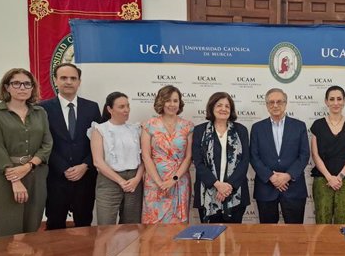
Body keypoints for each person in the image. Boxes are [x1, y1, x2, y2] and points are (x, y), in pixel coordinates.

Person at [0, 68, 52, 237]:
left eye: (27, 84)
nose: (22, 88)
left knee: (32, 227)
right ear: (6, 87)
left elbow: (47, 143)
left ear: (32, 88)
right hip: (6, 176)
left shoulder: (40, 112)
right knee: (8, 230)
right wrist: (15, 179)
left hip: (36, 174)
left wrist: (28, 166)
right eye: (16, 83)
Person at [39, 63, 101, 229]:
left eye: (73, 78)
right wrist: (63, 168)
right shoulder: (42, 109)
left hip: (85, 178)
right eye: (64, 78)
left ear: (79, 82)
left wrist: (85, 165)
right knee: (55, 228)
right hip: (56, 179)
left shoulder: (92, 107)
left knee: (84, 227)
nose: (68, 82)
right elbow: (43, 143)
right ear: (55, 80)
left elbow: (99, 143)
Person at [250, 88, 309, 224]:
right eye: (271, 102)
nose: (275, 105)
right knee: (267, 235)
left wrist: (288, 176)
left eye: (279, 101)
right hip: (266, 188)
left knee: (294, 235)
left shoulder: (299, 126)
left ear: (285, 103)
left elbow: (304, 155)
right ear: (266, 105)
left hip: (293, 188)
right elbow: (254, 156)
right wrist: (271, 176)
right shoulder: (257, 128)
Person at [192, 92, 250, 223]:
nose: (223, 109)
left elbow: (245, 161)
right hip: (208, 193)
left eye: (227, 106)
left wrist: (228, 186)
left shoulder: (241, 130)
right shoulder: (199, 131)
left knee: (234, 239)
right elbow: (198, 162)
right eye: (219, 105)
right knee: (211, 238)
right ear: (212, 107)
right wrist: (217, 185)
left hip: (236, 193)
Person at [140, 86, 194, 224]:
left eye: (175, 101)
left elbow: (188, 157)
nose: (172, 104)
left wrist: (174, 179)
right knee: (153, 230)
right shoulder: (149, 125)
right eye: (168, 100)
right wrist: (159, 182)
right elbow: (146, 156)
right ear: (161, 102)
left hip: (179, 182)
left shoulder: (188, 126)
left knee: (178, 229)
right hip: (155, 183)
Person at [89, 92, 143, 225]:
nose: (126, 110)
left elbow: (143, 158)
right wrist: (120, 181)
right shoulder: (99, 129)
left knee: (132, 225)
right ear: (109, 109)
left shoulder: (135, 129)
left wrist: (136, 179)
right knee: (106, 225)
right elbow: (98, 162)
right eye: (121, 107)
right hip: (109, 180)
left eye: (128, 106)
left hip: (134, 181)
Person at [309, 86, 345, 224]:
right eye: (332, 99)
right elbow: (315, 154)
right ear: (326, 102)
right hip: (322, 180)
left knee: (343, 222)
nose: (336, 102)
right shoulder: (318, 125)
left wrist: (339, 176)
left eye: (339, 99)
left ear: (344, 101)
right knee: (322, 221)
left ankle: (342, 247)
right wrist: (329, 177)